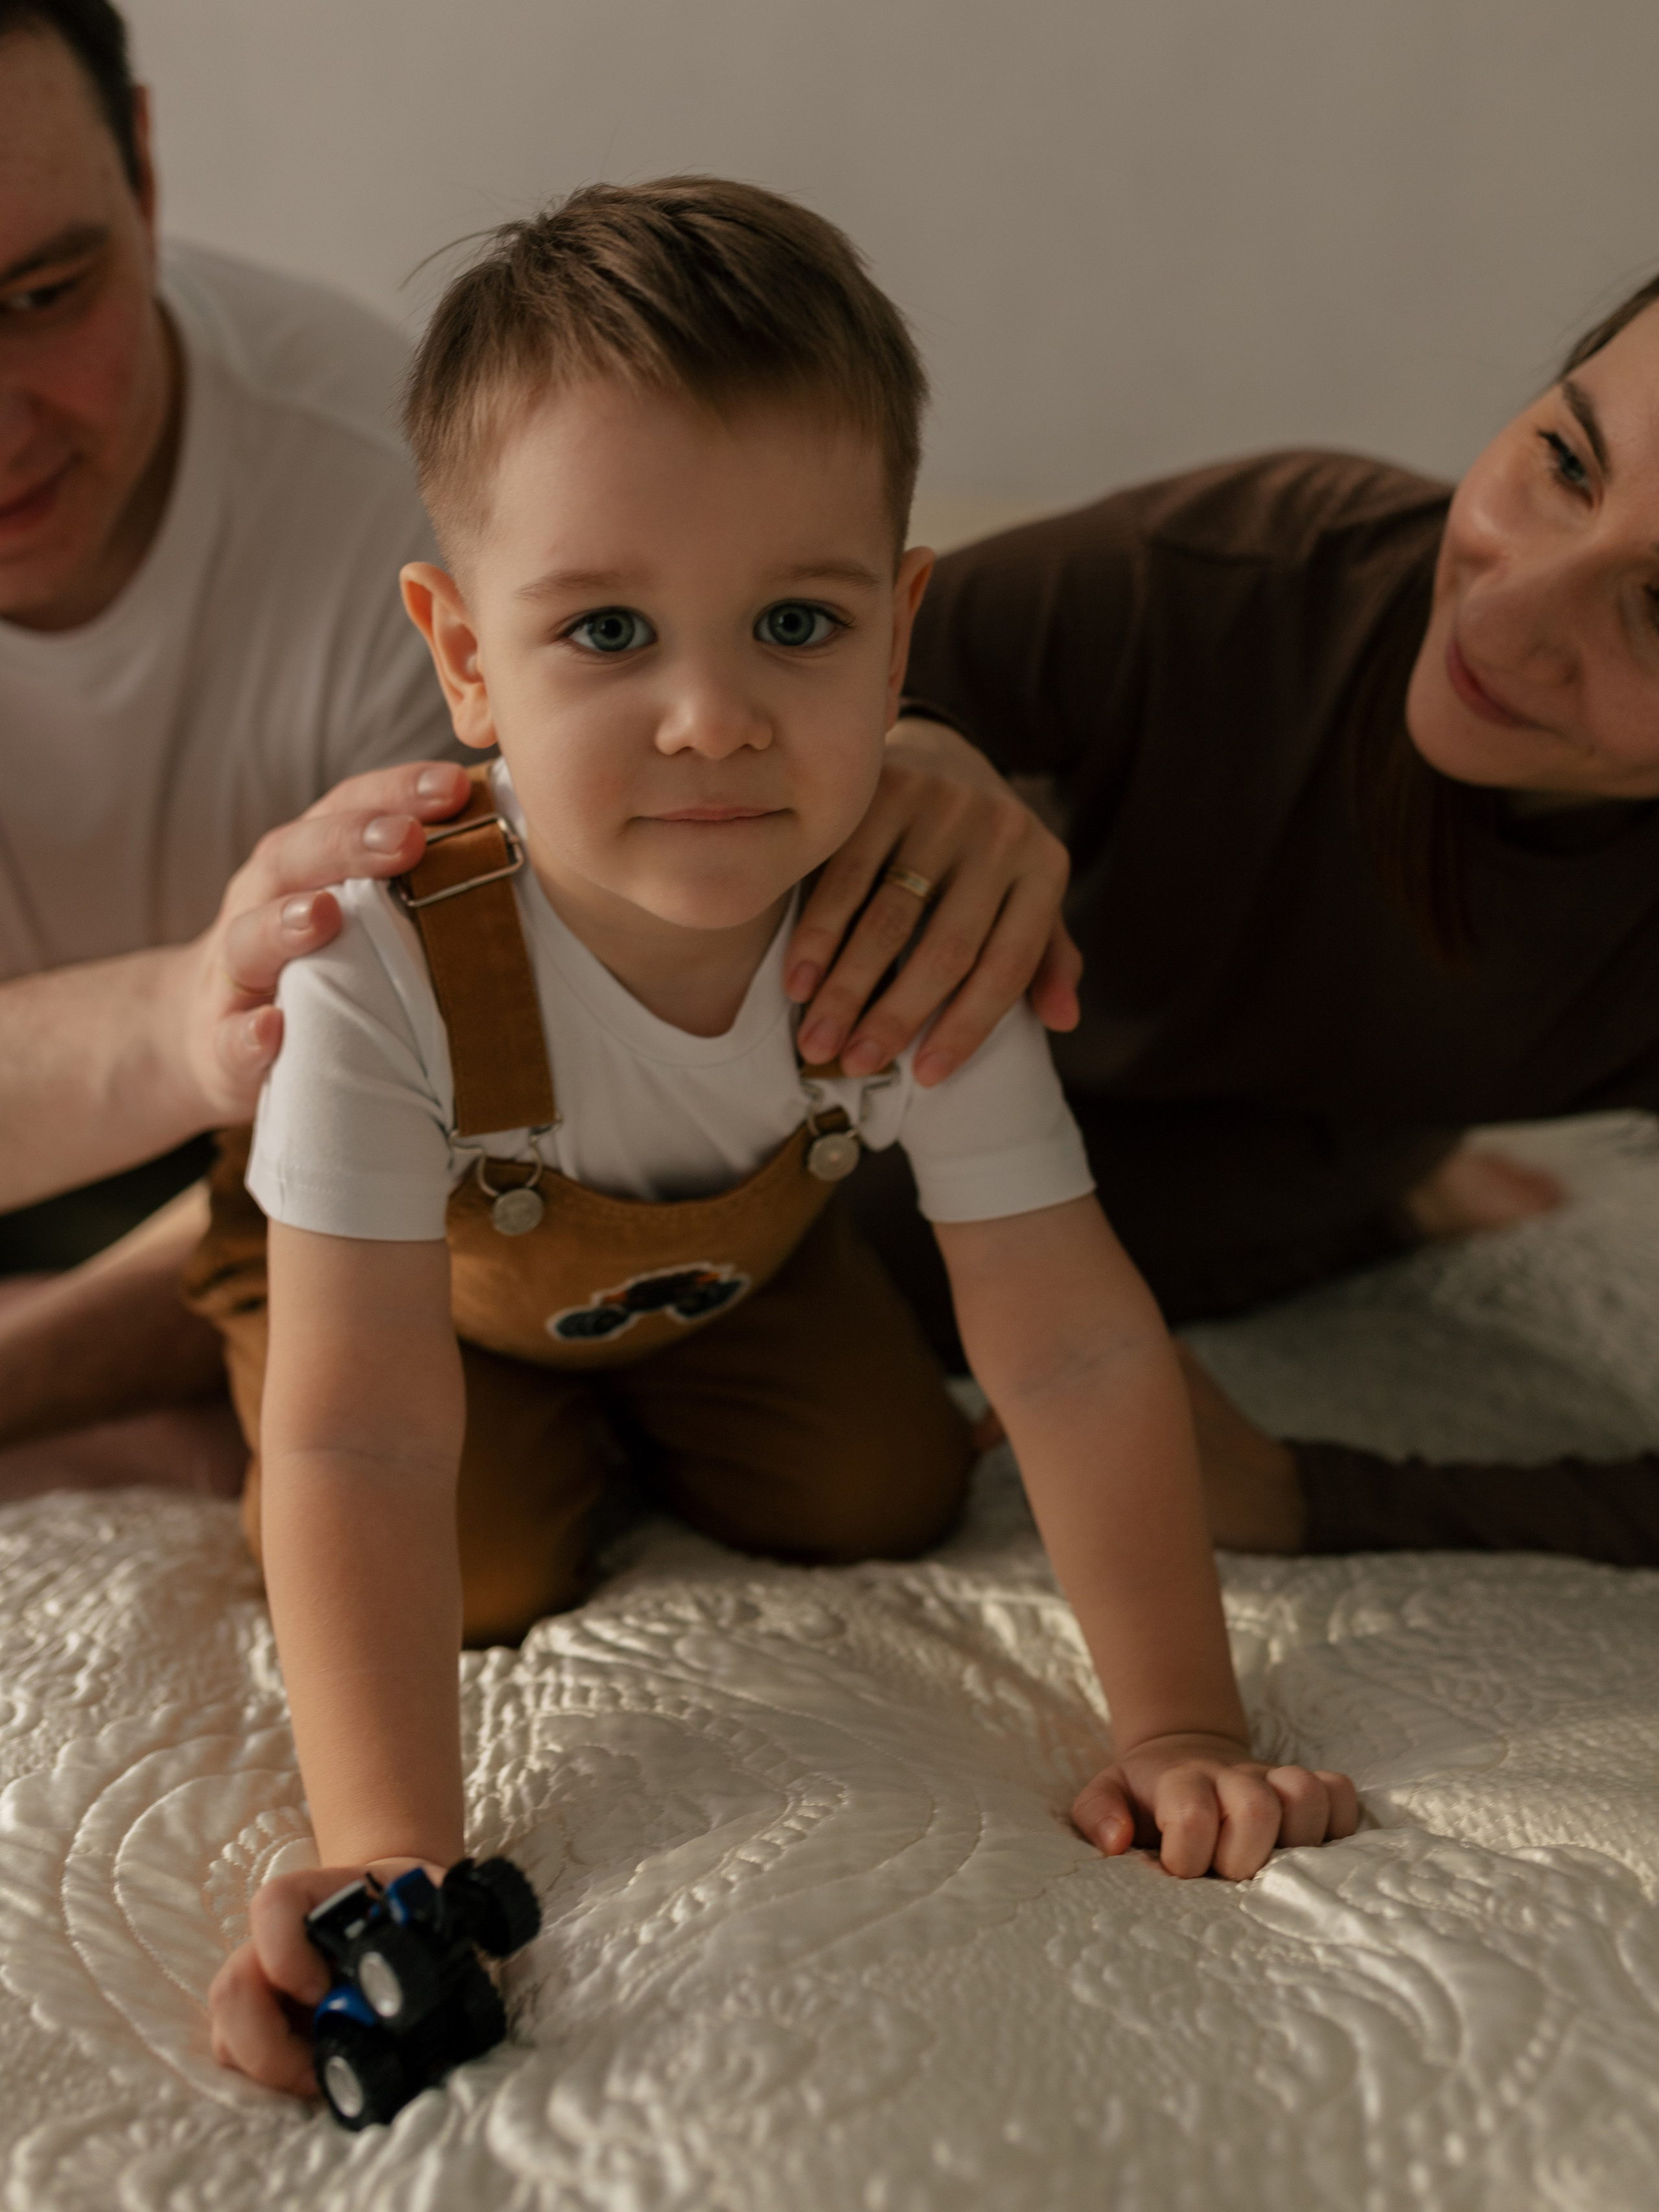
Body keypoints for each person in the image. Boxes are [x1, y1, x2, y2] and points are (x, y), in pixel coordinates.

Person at [201, 179, 1356, 2097]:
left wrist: (1177, 1717)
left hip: (710, 1280)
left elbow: (1063, 1333)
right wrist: (389, 1852)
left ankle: (633, 1407)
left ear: (900, 631)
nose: (715, 716)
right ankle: (166, 1333)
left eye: (797, 620)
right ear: (465, 652)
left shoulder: (905, 920)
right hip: (412, 1302)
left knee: (881, 1487)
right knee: (466, 1550)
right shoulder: (386, 954)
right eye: (609, 629)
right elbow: (359, 1422)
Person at [0, 0, 1079, 1490]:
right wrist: (195, 1014)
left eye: (45, 294)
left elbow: (556, 1010)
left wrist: (929, 759)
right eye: (613, 637)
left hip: (378, 1179)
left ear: (144, 175)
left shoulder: (396, 483)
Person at [873, 265, 1659, 1566]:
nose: (1502, 608)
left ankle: (1384, 1184)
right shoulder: (1255, 572)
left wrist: (1312, 1495)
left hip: (1285, 1145)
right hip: (993, 1069)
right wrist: (916, 738)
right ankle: (1397, 1182)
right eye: (1565, 461)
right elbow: (745, 671)